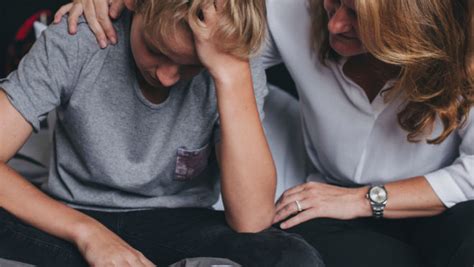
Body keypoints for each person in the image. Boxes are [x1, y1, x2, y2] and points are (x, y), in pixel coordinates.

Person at [60, 0, 474, 266]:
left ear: (413, 29)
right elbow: (202, 34)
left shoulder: (464, 57)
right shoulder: (296, 11)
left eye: (358, 18)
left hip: (437, 206)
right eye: (334, 3)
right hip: (323, 197)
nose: (335, 24)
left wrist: (362, 201)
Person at [0, 0, 326, 266]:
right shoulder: (78, 38)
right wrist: (88, 234)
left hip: (179, 222)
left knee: (292, 258)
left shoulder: (233, 64)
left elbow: (252, 219)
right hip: (73, 216)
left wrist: (230, 75)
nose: (168, 77)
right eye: (157, 50)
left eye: (190, 66)